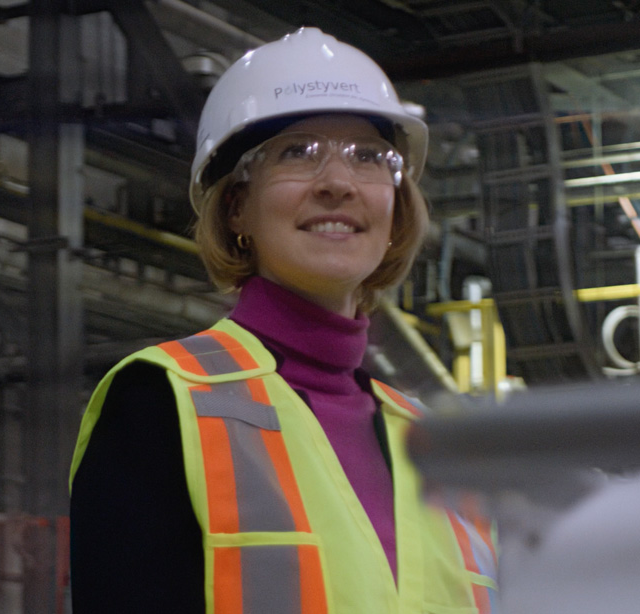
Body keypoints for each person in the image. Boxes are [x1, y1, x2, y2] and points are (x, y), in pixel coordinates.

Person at [69, 27, 497, 614]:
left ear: (396, 208)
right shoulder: (161, 402)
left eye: (369, 157)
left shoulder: (444, 448)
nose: (338, 183)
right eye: (297, 151)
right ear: (237, 203)